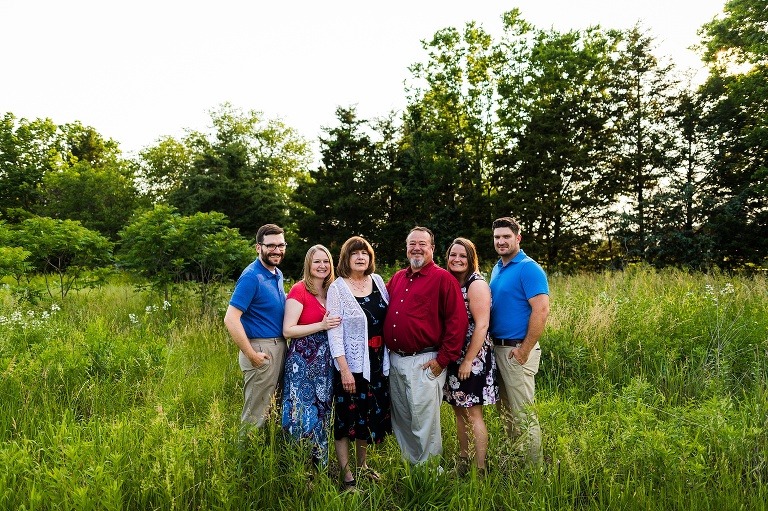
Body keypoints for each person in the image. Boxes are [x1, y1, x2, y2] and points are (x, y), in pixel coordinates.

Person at [383, 226, 468, 465]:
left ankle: (430, 472)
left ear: (431, 248)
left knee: (424, 422)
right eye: (412, 244)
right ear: (407, 247)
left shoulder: (443, 279)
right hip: (395, 360)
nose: (417, 248)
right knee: (403, 420)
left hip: (425, 362)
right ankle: (414, 470)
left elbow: (457, 323)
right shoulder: (398, 278)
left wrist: (442, 361)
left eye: (422, 244)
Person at [327, 236, 392, 490]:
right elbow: (334, 332)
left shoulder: (376, 282)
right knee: (346, 420)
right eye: (355, 253)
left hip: (375, 364)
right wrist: (344, 369)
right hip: (351, 366)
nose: (361, 257)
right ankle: (346, 475)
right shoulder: (338, 288)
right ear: (346, 258)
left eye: (365, 253)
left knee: (366, 418)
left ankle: (363, 466)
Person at [489, 217, 550, 467]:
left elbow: (542, 310)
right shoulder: (498, 268)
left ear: (518, 238)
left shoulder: (528, 268)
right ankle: (516, 461)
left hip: (516, 350)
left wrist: (524, 349)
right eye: (497, 237)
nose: (501, 241)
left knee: (523, 414)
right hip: (497, 348)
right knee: (506, 412)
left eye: (506, 237)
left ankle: (533, 470)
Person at [281, 245, 341, 466]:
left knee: (322, 412)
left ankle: (319, 467)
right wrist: (321, 325)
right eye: (317, 261)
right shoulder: (299, 290)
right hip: (302, 361)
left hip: (325, 362)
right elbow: (288, 330)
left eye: (326, 261)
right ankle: (298, 466)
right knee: (300, 411)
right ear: (308, 264)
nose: (322, 266)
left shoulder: (333, 290)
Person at [224, 223, 288, 430]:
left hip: (280, 347)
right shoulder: (251, 276)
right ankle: (243, 461)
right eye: (270, 246)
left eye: (281, 245)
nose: (276, 251)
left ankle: (266, 458)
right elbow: (231, 318)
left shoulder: (277, 273)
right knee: (255, 416)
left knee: (274, 412)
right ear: (258, 247)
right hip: (261, 349)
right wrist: (251, 354)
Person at [442, 237, 497, 476]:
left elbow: (482, 326)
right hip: (454, 355)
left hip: (472, 357)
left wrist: (467, 360)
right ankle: (464, 460)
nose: (457, 259)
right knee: (458, 410)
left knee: (473, 412)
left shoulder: (476, 284)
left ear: (471, 259)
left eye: (462, 256)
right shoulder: (451, 282)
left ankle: (481, 467)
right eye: (453, 255)